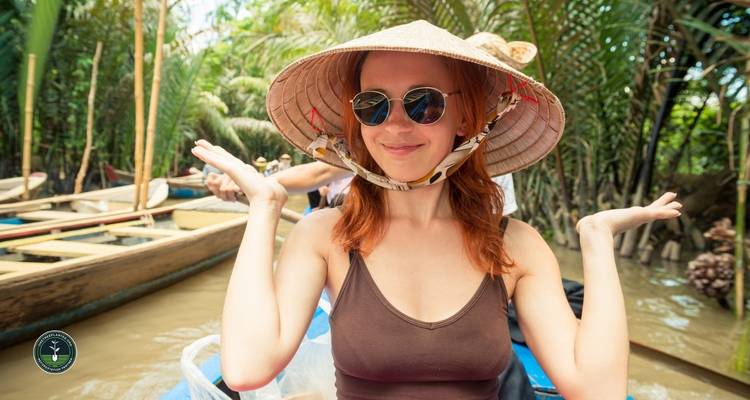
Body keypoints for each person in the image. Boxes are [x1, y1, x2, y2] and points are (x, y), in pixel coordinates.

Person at [191, 20, 681, 399]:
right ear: (357, 121)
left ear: (466, 117)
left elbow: (597, 390)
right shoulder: (326, 236)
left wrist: (596, 240)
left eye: (423, 104)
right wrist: (265, 207)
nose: (396, 125)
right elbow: (246, 367)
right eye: (373, 106)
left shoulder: (517, 246)